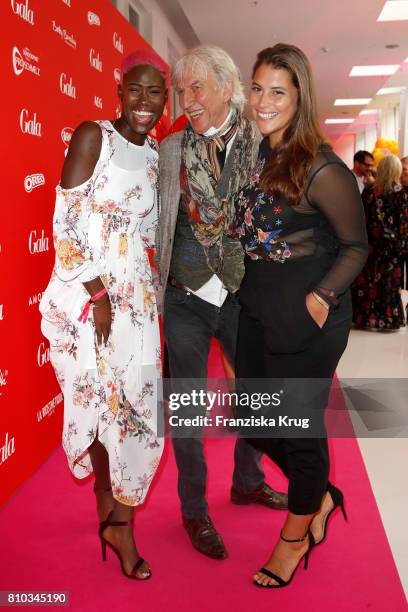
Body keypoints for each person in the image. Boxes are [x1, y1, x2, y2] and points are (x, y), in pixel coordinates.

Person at [233, 43, 368, 588]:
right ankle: (322, 495)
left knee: (297, 427)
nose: (263, 101)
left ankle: (296, 534)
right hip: (259, 308)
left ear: (300, 98)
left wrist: (322, 298)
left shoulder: (322, 167)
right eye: (258, 87)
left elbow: (356, 246)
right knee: (254, 421)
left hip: (310, 316)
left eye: (278, 92)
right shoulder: (257, 153)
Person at [39, 50, 168, 580]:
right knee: (96, 404)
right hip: (89, 296)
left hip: (135, 300)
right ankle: (114, 518)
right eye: (135, 90)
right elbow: (64, 224)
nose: (144, 102)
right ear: (119, 91)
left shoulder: (157, 154)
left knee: (139, 408)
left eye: (155, 93)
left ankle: (119, 515)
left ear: (165, 101)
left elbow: (147, 233)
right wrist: (98, 295)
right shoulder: (94, 136)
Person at [156, 44, 288, 561]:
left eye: (197, 88)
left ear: (226, 86)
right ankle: (193, 510)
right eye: (180, 90)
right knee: (187, 411)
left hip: (244, 295)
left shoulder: (263, 143)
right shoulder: (169, 150)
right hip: (184, 297)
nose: (186, 99)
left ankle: (248, 480)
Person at [352, 154, 408, 329]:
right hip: (392, 248)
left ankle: (366, 318)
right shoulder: (402, 194)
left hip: (371, 246)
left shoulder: (369, 192)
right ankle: (389, 319)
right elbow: (404, 224)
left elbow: (361, 220)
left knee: (369, 282)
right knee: (389, 284)